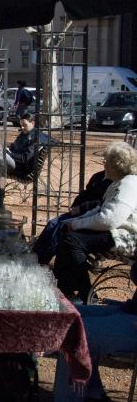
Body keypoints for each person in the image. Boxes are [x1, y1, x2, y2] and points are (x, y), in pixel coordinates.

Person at [54, 141, 137, 301]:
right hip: (116, 231)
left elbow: (109, 219)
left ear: (117, 164)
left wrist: (76, 224)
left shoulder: (129, 184)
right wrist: (75, 221)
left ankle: (87, 294)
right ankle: (66, 287)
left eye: (107, 160)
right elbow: (100, 211)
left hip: (128, 236)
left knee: (73, 240)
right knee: (66, 230)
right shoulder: (118, 182)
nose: (103, 163)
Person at [53, 263, 137, 401]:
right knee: (70, 314)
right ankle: (93, 394)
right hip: (131, 310)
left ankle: (70, 398)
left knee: (74, 332)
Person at [32, 170, 113, 264]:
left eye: (107, 159)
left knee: (60, 227)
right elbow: (84, 194)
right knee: (52, 223)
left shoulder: (115, 181)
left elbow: (102, 204)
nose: (105, 161)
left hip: (92, 216)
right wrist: (75, 206)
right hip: (79, 213)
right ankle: (34, 257)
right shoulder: (98, 176)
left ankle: (38, 263)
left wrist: (81, 208)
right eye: (104, 158)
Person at [4, 113, 46, 179]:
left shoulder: (36, 138)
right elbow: (13, 146)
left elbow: (25, 158)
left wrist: (10, 154)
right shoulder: (24, 134)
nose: (22, 127)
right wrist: (7, 149)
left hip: (22, 170)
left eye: (25, 125)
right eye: (21, 125)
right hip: (15, 163)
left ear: (33, 123)